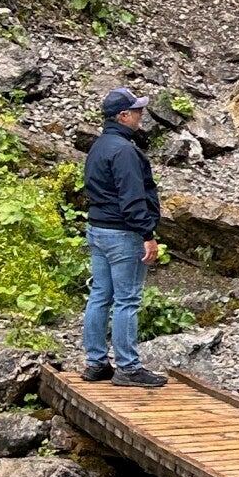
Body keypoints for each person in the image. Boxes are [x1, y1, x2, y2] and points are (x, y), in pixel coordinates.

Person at [81, 88, 166, 389]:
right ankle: (128, 368)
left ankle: (95, 363)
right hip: (123, 233)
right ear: (123, 116)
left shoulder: (99, 146)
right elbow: (132, 199)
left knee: (100, 294)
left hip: (97, 229)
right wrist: (147, 234)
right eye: (137, 111)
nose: (141, 116)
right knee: (127, 299)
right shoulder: (125, 151)